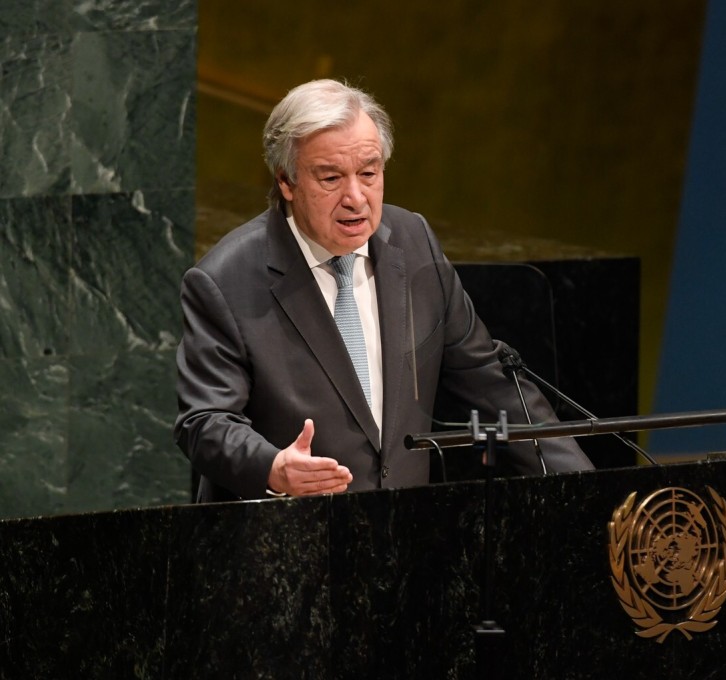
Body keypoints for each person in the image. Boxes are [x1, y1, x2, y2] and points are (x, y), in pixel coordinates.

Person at [174, 79, 593, 502]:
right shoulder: (225, 280)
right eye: (331, 178)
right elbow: (205, 421)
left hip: (401, 541)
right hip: (285, 541)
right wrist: (272, 467)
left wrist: (585, 492)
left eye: (369, 173)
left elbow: (493, 385)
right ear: (287, 181)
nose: (355, 197)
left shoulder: (413, 243)